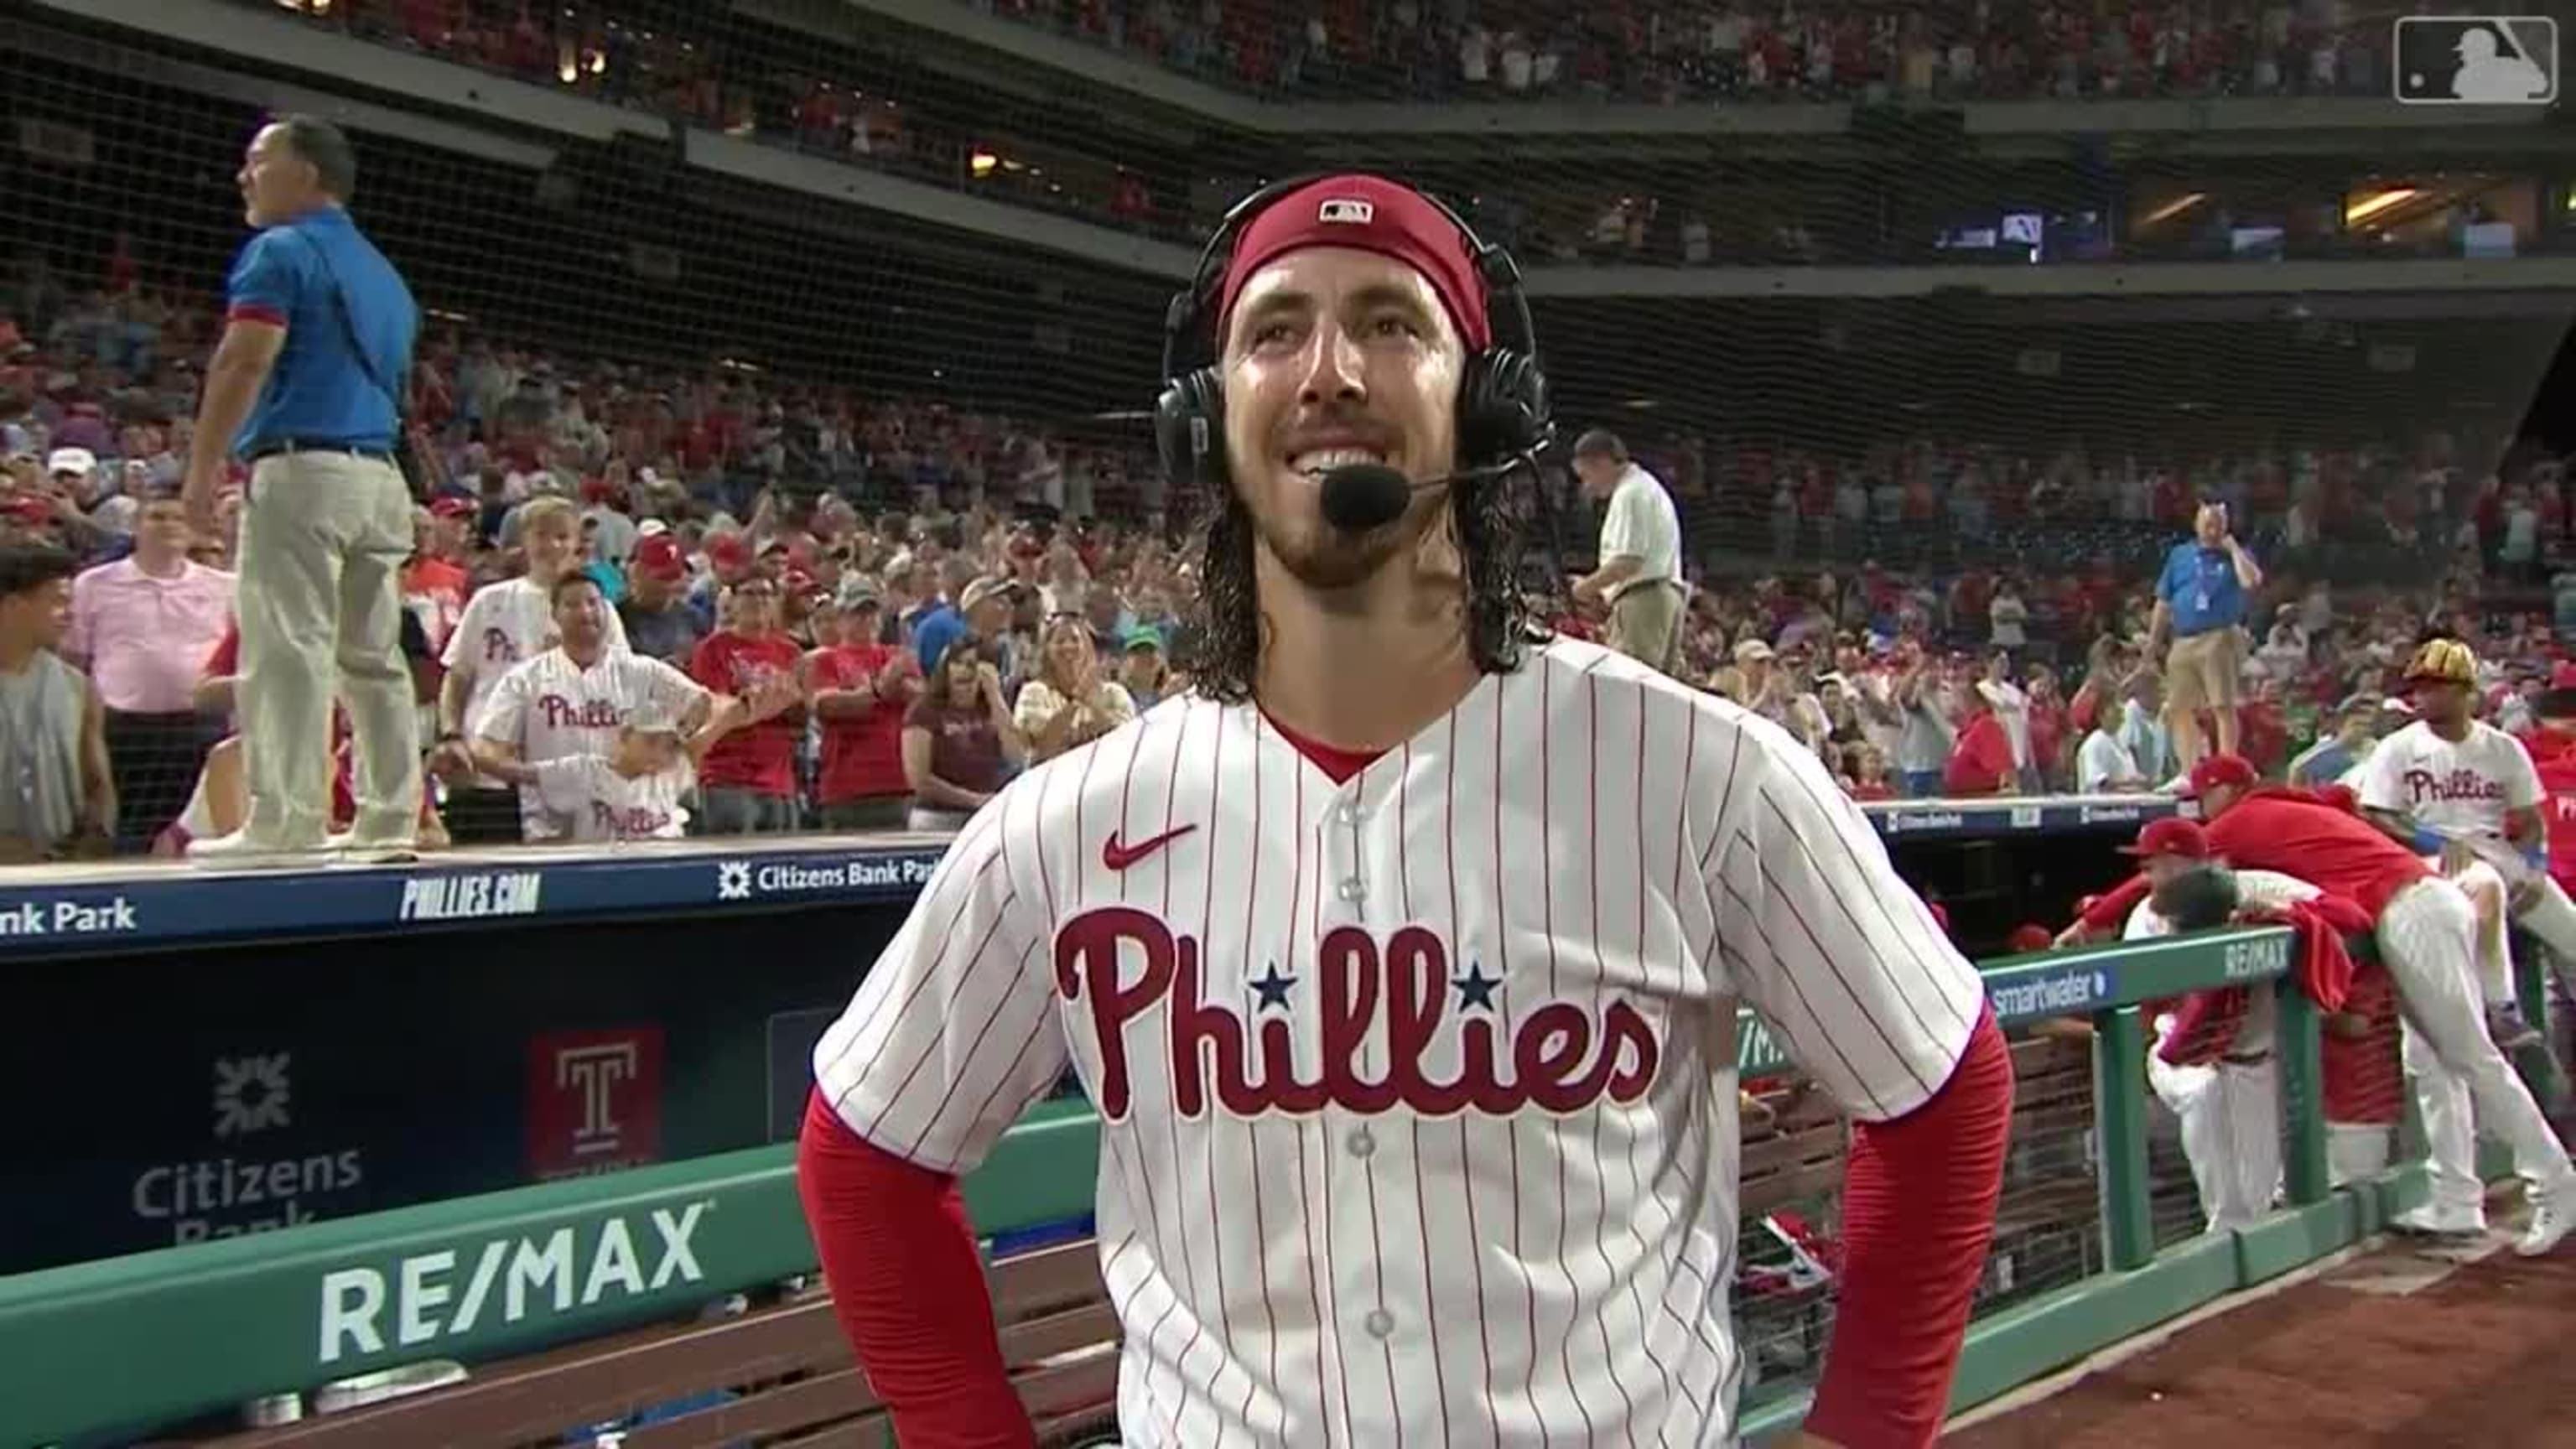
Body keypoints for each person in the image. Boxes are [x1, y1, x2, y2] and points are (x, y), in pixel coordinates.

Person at [797, 172, 2012, 1448]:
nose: (1327, 372)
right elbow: (868, 1156)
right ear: (1206, 415)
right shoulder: (1067, 825)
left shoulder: (1702, 774)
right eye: (1274, 332)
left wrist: (1866, 1428)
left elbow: (1939, 1087)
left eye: (1391, 323)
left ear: (1483, 407)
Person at [2079, 754, 2572, 1254]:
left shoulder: (2243, 818)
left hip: (2411, 906)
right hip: (2425, 901)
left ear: (2225, 792)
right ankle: (2457, 1197)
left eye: (2207, 798)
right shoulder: (2289, 811)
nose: (2207, 812)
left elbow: (2163, 881)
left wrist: (2089, 921)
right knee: (2432, 1063)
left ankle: (2554, 1182)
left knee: (2469, 1058)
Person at [181, 115, 423, 864]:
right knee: (374, 658)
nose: (244, 175)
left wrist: (198, 475)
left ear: (307, 174)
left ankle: (284, 825)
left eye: (259, 159)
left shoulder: (279, 249)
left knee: (288, 649)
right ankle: (390, 823)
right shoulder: (387, 276)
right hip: (380, 480)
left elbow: (243, 361)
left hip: (303, 471)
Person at [2355, 638, 2568, 1047]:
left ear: (2467, 691)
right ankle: (2503, 1009)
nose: (2423, 696)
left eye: (2436, 686)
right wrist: (2429, 838)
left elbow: (2529, 818)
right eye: (2419, 688)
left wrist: (2536, 869)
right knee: (2485, 886)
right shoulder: (2398, 748)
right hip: (2432, 856)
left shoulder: (2502, 747)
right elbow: (2375, 815)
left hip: (2496, 848)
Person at [459, 574, 754, 842]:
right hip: (553, 835)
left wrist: (685, 738)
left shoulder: (642, 671)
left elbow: (706, 704)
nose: (586, 612)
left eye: (593, 602)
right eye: (572, 605)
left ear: (607, 611)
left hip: (640, 830)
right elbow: (488, 748)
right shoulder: (525, 679)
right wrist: (541, 777)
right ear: (554, 615)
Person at [61, 487, 235, 850]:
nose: (169, 525)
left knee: (199, 830)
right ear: (136, 526)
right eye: (157, 517)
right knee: (127, 830)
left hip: (200, 725)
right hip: (124, 726)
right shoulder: (93, 584)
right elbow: (76, 659)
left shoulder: (225, 587)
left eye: (179, 518)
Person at [0, 543, 113, 862]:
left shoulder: (76, 686)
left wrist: (92, 840)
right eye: (58, 602)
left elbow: (98, 784)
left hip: (56, 871)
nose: (70, 614)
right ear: (13, 604)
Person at [2148, 501, 2259, 772]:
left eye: (2218, 524)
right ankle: (2189, 771)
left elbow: (2251, 582)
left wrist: (2233, 549)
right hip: (2183, 638)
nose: (2212, 530)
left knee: (2222, 705)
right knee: (2179, 708)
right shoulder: (2180, 555)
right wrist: (2153, 643)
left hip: (2218, 636)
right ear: (2197, 524)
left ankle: (2228, 765)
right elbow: (2163, 601)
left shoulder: (2237, 555)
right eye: (2207, 523)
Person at [1567, 428, 1684, 674]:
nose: (1586, 486)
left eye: (1585, 476)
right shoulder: (1647, 486)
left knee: (1632, 687)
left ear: (1601, 463)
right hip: (1660, 598)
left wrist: (1583, 589)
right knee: (1655, 692)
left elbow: (1628, 562)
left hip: (1644, 600)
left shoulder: (1630, 492)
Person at [898, 634, 1022, 831]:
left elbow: (1016, 755)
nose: (965, 671)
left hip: (988, 815)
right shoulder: (924, 710)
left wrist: (994, 694)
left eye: (972, 665)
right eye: (958, 663)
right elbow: (919, 779)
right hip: (938, 816)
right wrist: (973, 800)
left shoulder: (992, 707)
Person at [1015, 612, 1138, 765]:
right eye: (1060, 641)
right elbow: (1042, 748)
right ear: (1047, 651)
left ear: (1088, 648)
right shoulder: (1033, 692)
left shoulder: (1114, 693)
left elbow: (1128, 742)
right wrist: (1077, 699)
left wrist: (1096, 712)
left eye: (1075, 640)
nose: (1068, 646)